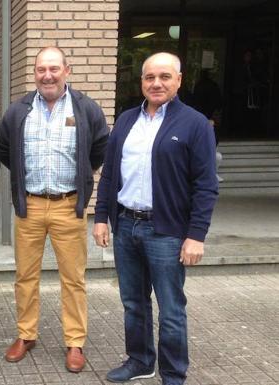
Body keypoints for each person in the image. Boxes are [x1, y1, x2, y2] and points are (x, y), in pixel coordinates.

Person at [92, 52, 219, 385]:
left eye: (165, 76)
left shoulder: (195, 124)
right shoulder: (125, 120)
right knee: (134, 302)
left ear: (179, 80)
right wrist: (101, 217)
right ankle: (140, 360)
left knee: (171, 309)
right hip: (125, 225)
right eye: (150, 77)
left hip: (166, 231)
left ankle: (173, 374)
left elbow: (206, 186)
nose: (156, 83)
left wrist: (196, 235)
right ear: (142, 82)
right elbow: (109, 174)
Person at [0, 46, 109, 373]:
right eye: (41, 69)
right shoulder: (18, 111)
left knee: (73, 278)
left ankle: (75, 341)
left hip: (68, 206)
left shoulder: (86, 108)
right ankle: (26, 334)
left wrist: (82, 178)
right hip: (29, 207)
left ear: (66, 70)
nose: (47, 75)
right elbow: (5, 150)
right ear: (34, 73)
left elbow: (100, 148)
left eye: (53, 69)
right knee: (25, 276)